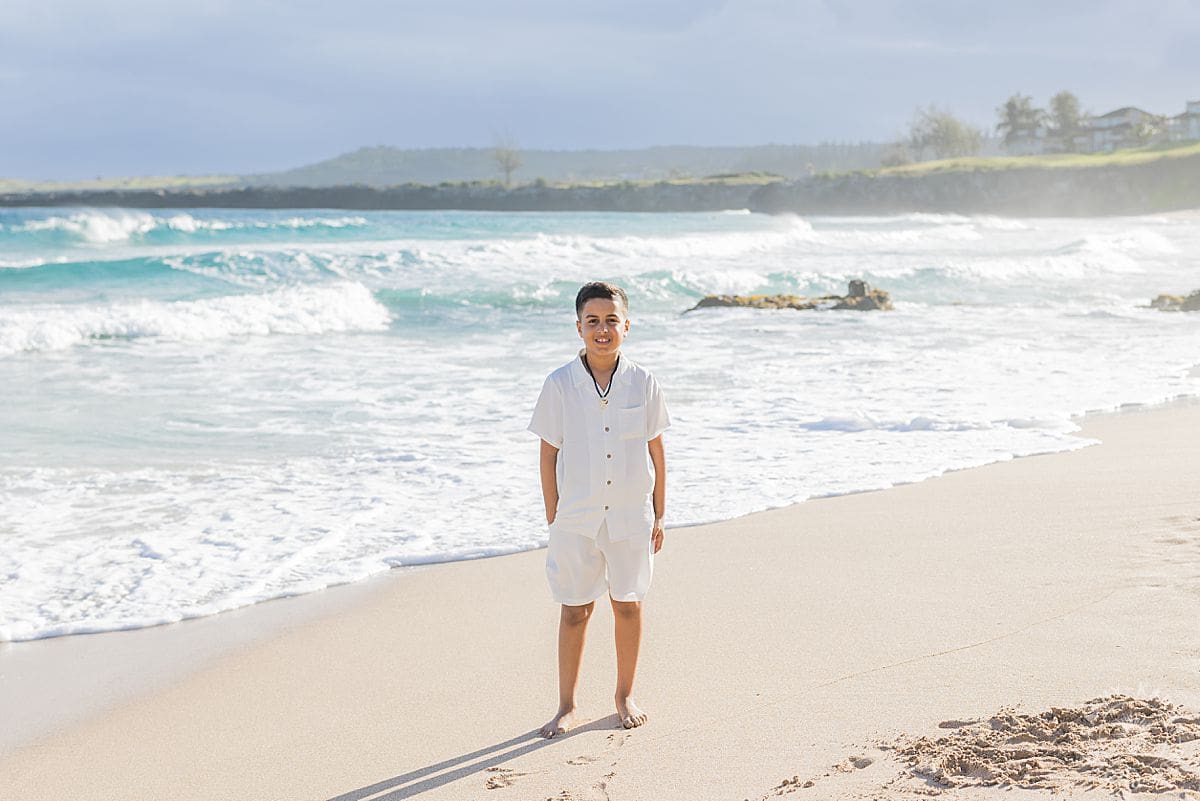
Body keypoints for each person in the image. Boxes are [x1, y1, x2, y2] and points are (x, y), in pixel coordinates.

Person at [528, 281, 670, 737]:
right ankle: (567, 705)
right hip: (576, 517)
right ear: (579, 328)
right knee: (574, 609)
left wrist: (660, 514)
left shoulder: (643, 382)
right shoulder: (559, 384)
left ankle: (624, 695)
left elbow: (656, 450)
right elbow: (548, 453)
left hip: (630, 516)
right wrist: (554, 515)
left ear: (626, 326)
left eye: (611, 320)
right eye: (593, 321)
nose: (602, 329)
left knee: (628, 604)